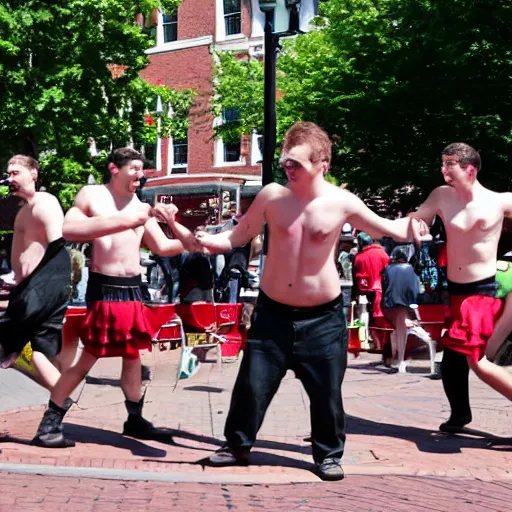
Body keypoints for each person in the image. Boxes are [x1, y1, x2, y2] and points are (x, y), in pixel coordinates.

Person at [195, 122, 426, 480]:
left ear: (323, 164)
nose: (289, 169)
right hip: (272, 313)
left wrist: (416, 225)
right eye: (286, 162)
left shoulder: (342, 201)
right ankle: (237, 445)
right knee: (252, 385)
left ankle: (328, 455)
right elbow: (238, 236)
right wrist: (210, 242)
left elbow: (389, 228)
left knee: (326, 393)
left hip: (323, 318)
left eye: (297, 164)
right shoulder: (272, 196)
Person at [33, 147, 198, 448]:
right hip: (105, 289)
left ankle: (135, 419)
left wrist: (181, 230)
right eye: (135, 168)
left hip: (134, 290)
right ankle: (49, 424)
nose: (140, 174)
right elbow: (68, 230)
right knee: (89, 357)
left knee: (133, 355)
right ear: (114, 168)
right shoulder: (92, 195)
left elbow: (162, 247)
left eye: (142, 169)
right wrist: (128, 220)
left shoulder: (139, 205)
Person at [410, 142, 512, 433]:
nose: (443, 171)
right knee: (453, 357)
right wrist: (418, 224)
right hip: (454, 291)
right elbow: (419, 217)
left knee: (476, 360)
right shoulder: (442, 196)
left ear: (470, 168)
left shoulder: (501, 201)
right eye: (442, 164)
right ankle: (459, 416)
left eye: (449, 164)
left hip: (482, 292)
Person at [0, 155, 74, 393]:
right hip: (29, 288)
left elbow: (58, 245)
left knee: (12, 342)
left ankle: (60, 396)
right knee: (37, 351)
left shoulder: (44, 202)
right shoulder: (24, 210)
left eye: (15, 173)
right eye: (8, 174)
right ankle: (61, 398)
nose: (10, 178)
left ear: (33, 174)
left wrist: (38, 288)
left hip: (40, 289)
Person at [381, 248, 420, 373]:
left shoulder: (388, 269)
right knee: (401, 329)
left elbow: (384, 285)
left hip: (390, 303)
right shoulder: (411, 269)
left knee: (396, 329)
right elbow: (415, 289)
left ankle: (396, 357)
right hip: (406, 303)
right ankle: (400, 359)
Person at [352, 232, 390, 319]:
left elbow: (354, 275)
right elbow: (388, 271)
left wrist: (354, 295)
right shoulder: (382, 254)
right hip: (381, 289)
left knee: (364, 314)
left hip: (363, 288)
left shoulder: (358, 257)